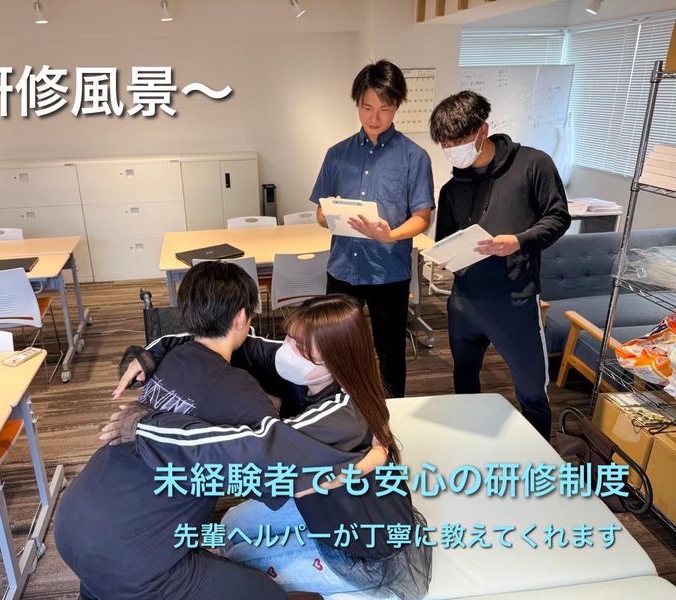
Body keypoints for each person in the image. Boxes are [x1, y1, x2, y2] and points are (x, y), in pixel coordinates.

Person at [55, 262, 376, 600]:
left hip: (73, 522)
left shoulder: (170, 355)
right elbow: (278, 463)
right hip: (133, 559)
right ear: (241, 317)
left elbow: (250, 353)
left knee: (104, 581)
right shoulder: (241, 394)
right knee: (267, 594)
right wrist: (367, 461)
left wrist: (154, 350)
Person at [110, 295, 432, 599]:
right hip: (322, 509)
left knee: (237, 557)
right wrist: (153, 353)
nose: (286, 351)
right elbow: (221, 339)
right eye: (289, 338)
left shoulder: (341, 417)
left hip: (358, 551)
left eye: (300, 348)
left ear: (336, 358)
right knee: (230, 524)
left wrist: (146, 426)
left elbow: (249, 447)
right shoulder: (311, 369)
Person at [429, 90, 571, 440]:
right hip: (465, 301)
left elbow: (558, 218)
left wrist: (518, 241)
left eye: (458, 140)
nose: (452, 149)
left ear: (483, 130)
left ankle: (539, 455)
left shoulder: (533, 165)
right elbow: (445, 240)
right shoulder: (452, 189)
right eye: (445, 143)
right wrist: (445, 260)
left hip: (515, 299)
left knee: (531, 388)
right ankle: (472, 442)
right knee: (465, 379)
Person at [310, 59, 435, 398]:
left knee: (390, 352)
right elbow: (319, 212)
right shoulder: (337, 154)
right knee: (336, 348)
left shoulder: (414, 157)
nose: (375, 117)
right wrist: (329, 215)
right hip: (342, 268)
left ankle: (393, 414)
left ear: (397, 106)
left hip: (388, 271)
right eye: (367, 107)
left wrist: (390, 235)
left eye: (384, 108)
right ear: (357, 105)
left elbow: (422, 217)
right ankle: (336, 408)